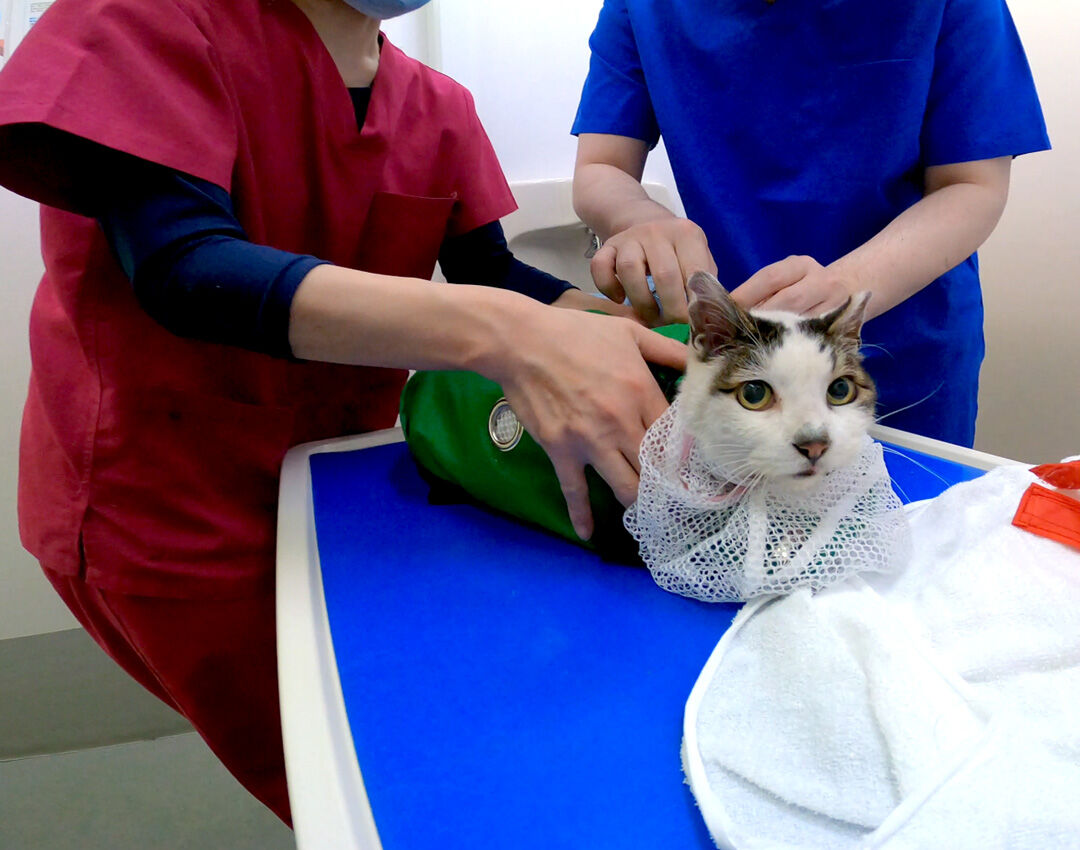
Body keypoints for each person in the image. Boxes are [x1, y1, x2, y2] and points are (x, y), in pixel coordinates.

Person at [0, 0, 685, 826]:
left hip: (344, 504)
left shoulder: (436, 106)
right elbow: (182, 266)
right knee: (360, 789)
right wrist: (508, 335)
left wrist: (652, 334)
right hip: (168, 509)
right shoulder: (147, 20)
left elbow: (491, 275)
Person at [571, 0, 1050, 447]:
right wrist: (641, 219)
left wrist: (847, 288)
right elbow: (602, 166)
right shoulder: (646, 10)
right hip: (733, 364)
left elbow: (971, 186)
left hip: (899, 349)